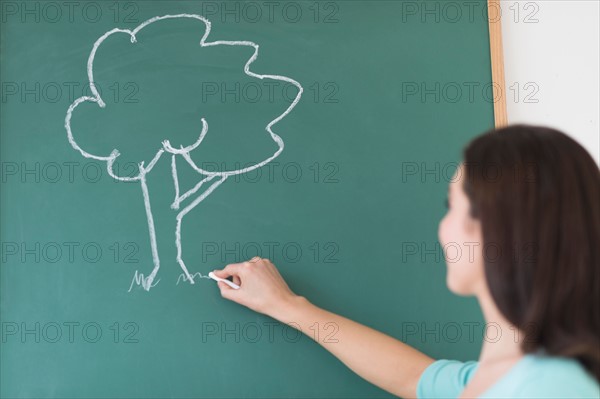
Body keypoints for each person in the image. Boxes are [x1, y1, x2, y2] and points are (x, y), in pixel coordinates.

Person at [212, 124, 600, 398]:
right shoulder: (499, 380)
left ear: (494, 226)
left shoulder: (551, 388)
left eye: (452, 205)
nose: (441, 226)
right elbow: (414, 377)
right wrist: (287, 307)